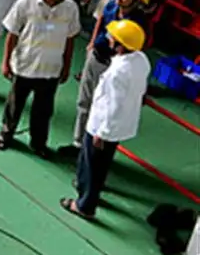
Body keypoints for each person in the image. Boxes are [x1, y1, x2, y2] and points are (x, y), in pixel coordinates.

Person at [61, 19, 149, 220]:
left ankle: (84, 205)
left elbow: (112, 106)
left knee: (92, 163)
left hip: (102, 126)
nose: (109, 39)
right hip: (121, 126)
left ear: (121, 45)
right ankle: (87, 189)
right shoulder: (141, 60)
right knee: (101, 164)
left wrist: (102, 133)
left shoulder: (117, 73)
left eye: (114, 38)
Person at [60, 0, 151, 156]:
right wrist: (92, 43)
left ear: (137, 1)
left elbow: (136, 48)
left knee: (103, 105)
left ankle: (94, 145)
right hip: (96, 57)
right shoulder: (111, 6)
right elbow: (101, 20)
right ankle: (79, 143)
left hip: (113, 65)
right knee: (84, 100)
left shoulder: (138, 23)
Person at [0, 0, 80, 156]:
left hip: (50, 70)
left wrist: (66, 66)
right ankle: (6, 133)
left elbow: (70, 38)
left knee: (43, 111)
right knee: (14, 105)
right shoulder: (26, 3)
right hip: (25, 66)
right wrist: (6, 62)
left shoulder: (70, 8)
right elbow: (12, 34)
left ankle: (38, 143)